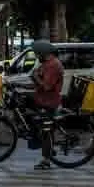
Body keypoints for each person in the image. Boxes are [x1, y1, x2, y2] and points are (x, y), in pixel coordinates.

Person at [30, 40, 65, 170]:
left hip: (49, 102)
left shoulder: (53, 65)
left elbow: (46, 86)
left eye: (38, 54)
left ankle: (46, 160)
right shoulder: (45, 64)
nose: (37, 56)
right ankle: (44, 147)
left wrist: (35, 77)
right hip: (42, 99)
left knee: (46, 131)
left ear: (45, 53)